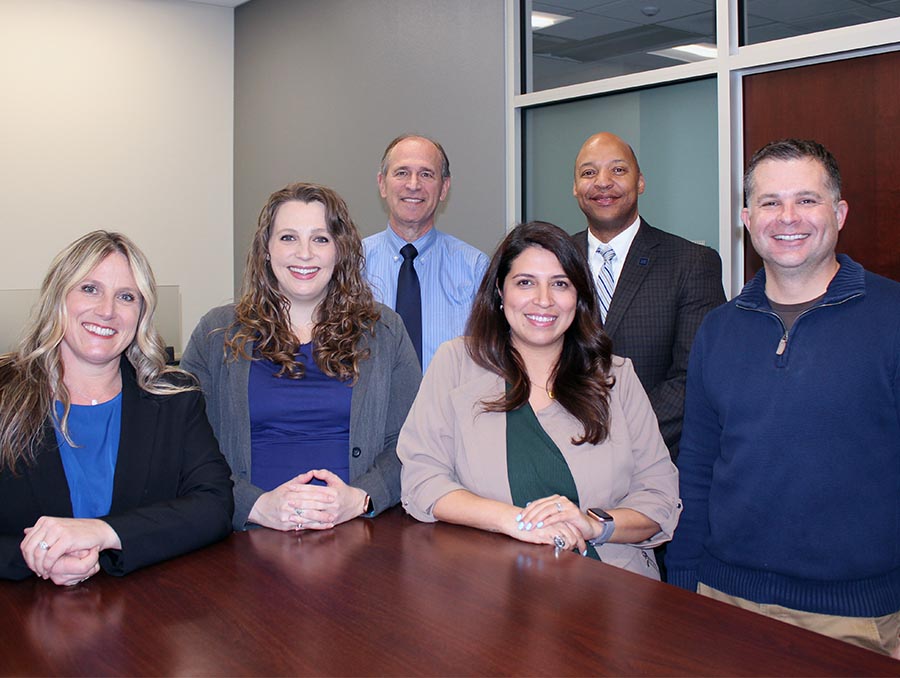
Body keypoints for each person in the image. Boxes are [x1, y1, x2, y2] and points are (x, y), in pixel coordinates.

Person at [667, 139, 900, 656]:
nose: (787, 217)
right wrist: (683, 587)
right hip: (721, 602)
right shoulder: (717, 330)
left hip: (857, 620)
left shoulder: (892, 318)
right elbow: (698, 470)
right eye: (770, 202)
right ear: (747, 219)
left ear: (839, 212)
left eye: (807, 200)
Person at [399, 221, 680, 578]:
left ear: (578, 297)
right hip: (484, 586)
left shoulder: (616, 377)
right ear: (500, 291)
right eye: (525, 282)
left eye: (560, 284)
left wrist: (593, 524)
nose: (544, 300)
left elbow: (659, 497)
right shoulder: (456, 363)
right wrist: (516, 521)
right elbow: (422, 479)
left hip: (612, 588)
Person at [181, 182, 421, 533]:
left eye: (321, 239)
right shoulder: (217, 332)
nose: (304, 253)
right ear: (266, 249)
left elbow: (413, 442)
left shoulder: (384, 330)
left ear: (340, 250)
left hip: (358, 535)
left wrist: (362, 497)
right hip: (245, 537)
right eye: (288, 238)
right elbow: (186, 445)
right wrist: (255, 505)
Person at [0, 231, 233, 585]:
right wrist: (33, 556)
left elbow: (215, 505)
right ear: (57, 296)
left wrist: (104, 532)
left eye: (126, 297)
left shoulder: (175, 398)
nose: (107, 311)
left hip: (145, 616)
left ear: (141, 314)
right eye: (90, 289)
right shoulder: (5, 393)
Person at [571, 132, 725, 460]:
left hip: (653, 460)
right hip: (561, 453)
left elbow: (694, 376)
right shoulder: (553, 261)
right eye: (588, 173)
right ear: (575, 188)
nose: (602, 182)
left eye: (618, 170)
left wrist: (615, 436)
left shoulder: (691, 262)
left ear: (640, 182)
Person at [364, 134, 490, 371]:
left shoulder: (475, 268)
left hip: (449, 407)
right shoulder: (352, 264)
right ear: (382, 183)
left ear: (444, 188)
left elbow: (490, 360)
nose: (413, 184)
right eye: (401, 172)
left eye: (426, 174)